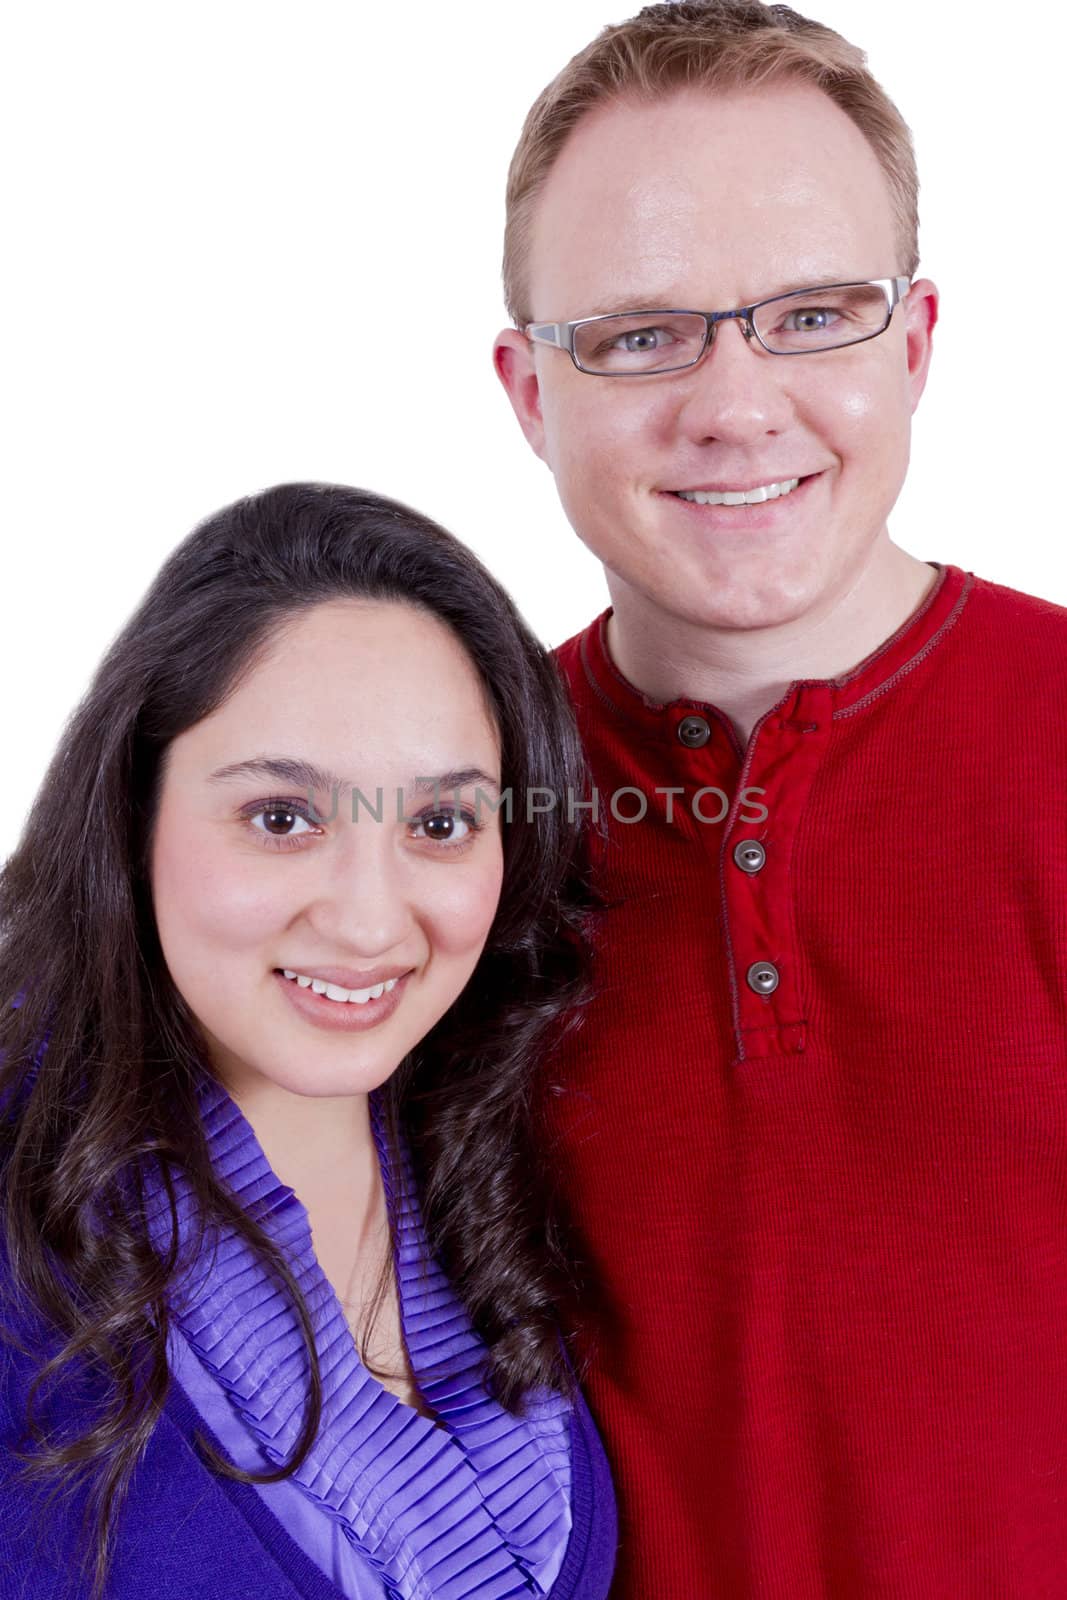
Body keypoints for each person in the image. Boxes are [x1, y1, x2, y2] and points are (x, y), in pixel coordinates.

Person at [492, 2, 1067, 1595]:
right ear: (528, 392)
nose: (733, 405)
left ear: (915, 342)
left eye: (812, 314)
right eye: (636, 333)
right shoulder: (431, 815)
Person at [0, 483, 617, 1600]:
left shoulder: (489, 1141)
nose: (371, 921)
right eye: (283, 817)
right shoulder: (22, 1215)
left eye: (440, 824)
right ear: (132, 813)